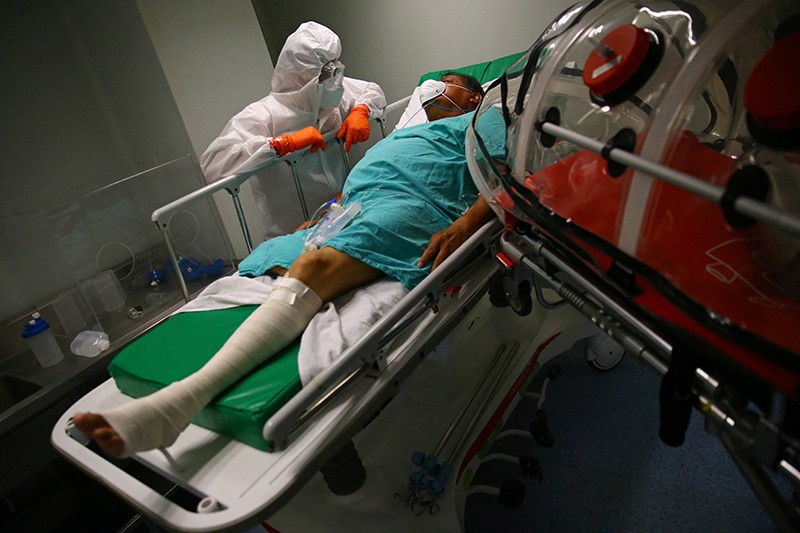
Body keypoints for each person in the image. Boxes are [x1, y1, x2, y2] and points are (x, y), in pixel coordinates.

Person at [73, 73, 504, 457]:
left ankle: (179, 404)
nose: (430, 88)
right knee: (272, 259)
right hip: (353, 205)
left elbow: (505, 172)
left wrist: (465, 225)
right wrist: (331, 209)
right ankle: (296, 299)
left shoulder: (485, 118)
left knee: (313, 268)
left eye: (446, 83)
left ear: (472, 98)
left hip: (413, 203)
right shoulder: (401, 132)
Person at [200, 21, 386, 240]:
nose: (338, 79)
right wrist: (278, 145)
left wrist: (362, 110)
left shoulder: (333, 98)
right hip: (291, 234)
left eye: (338, 67)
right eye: (329, 72)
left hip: (343, 217)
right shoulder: (263, 115)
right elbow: (213, 163)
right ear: (301, 77)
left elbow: (371, 90)